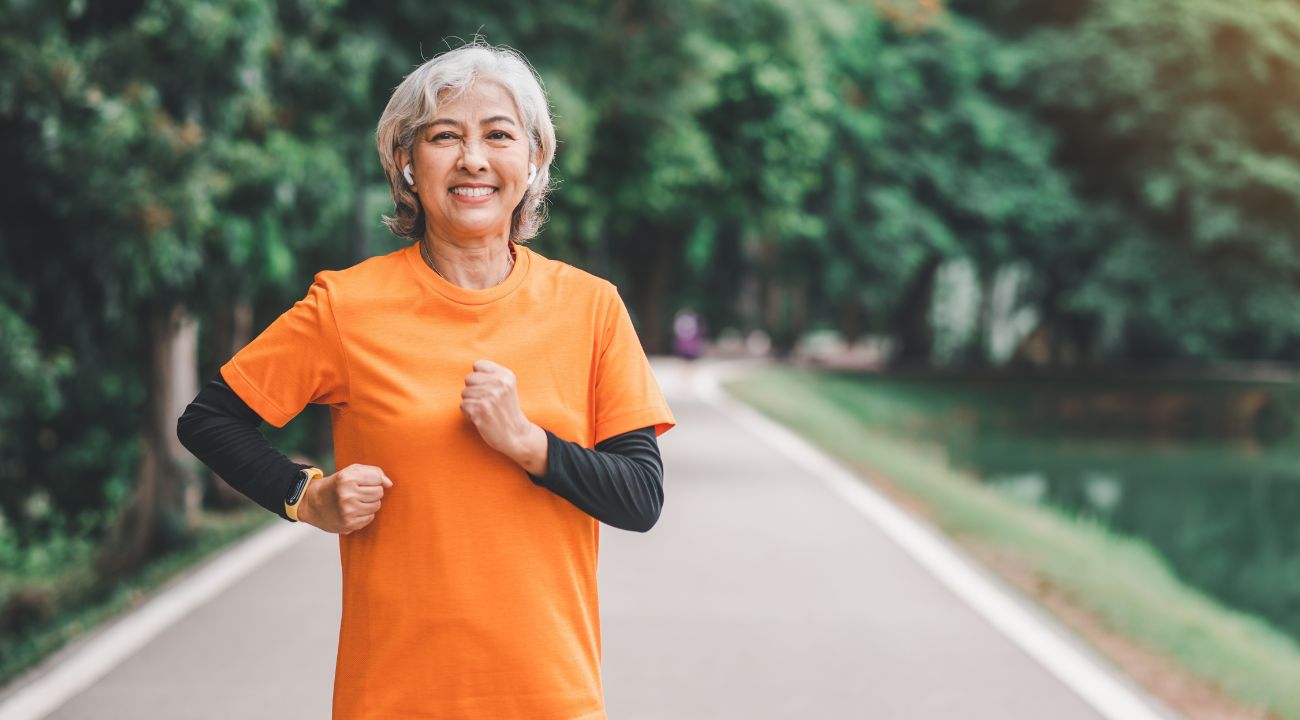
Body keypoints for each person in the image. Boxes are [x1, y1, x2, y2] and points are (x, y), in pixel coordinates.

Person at [176, 40, 675, 720]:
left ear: (533, 162)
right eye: (445, 136)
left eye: (498, 136)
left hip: (551, 698)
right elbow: (210, 420)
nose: (473, 159)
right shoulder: (346, 307)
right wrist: (305, 496)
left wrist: (528, 442)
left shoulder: (591, 308)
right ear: (406, 162)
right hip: (392, 699)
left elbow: (640, 497)